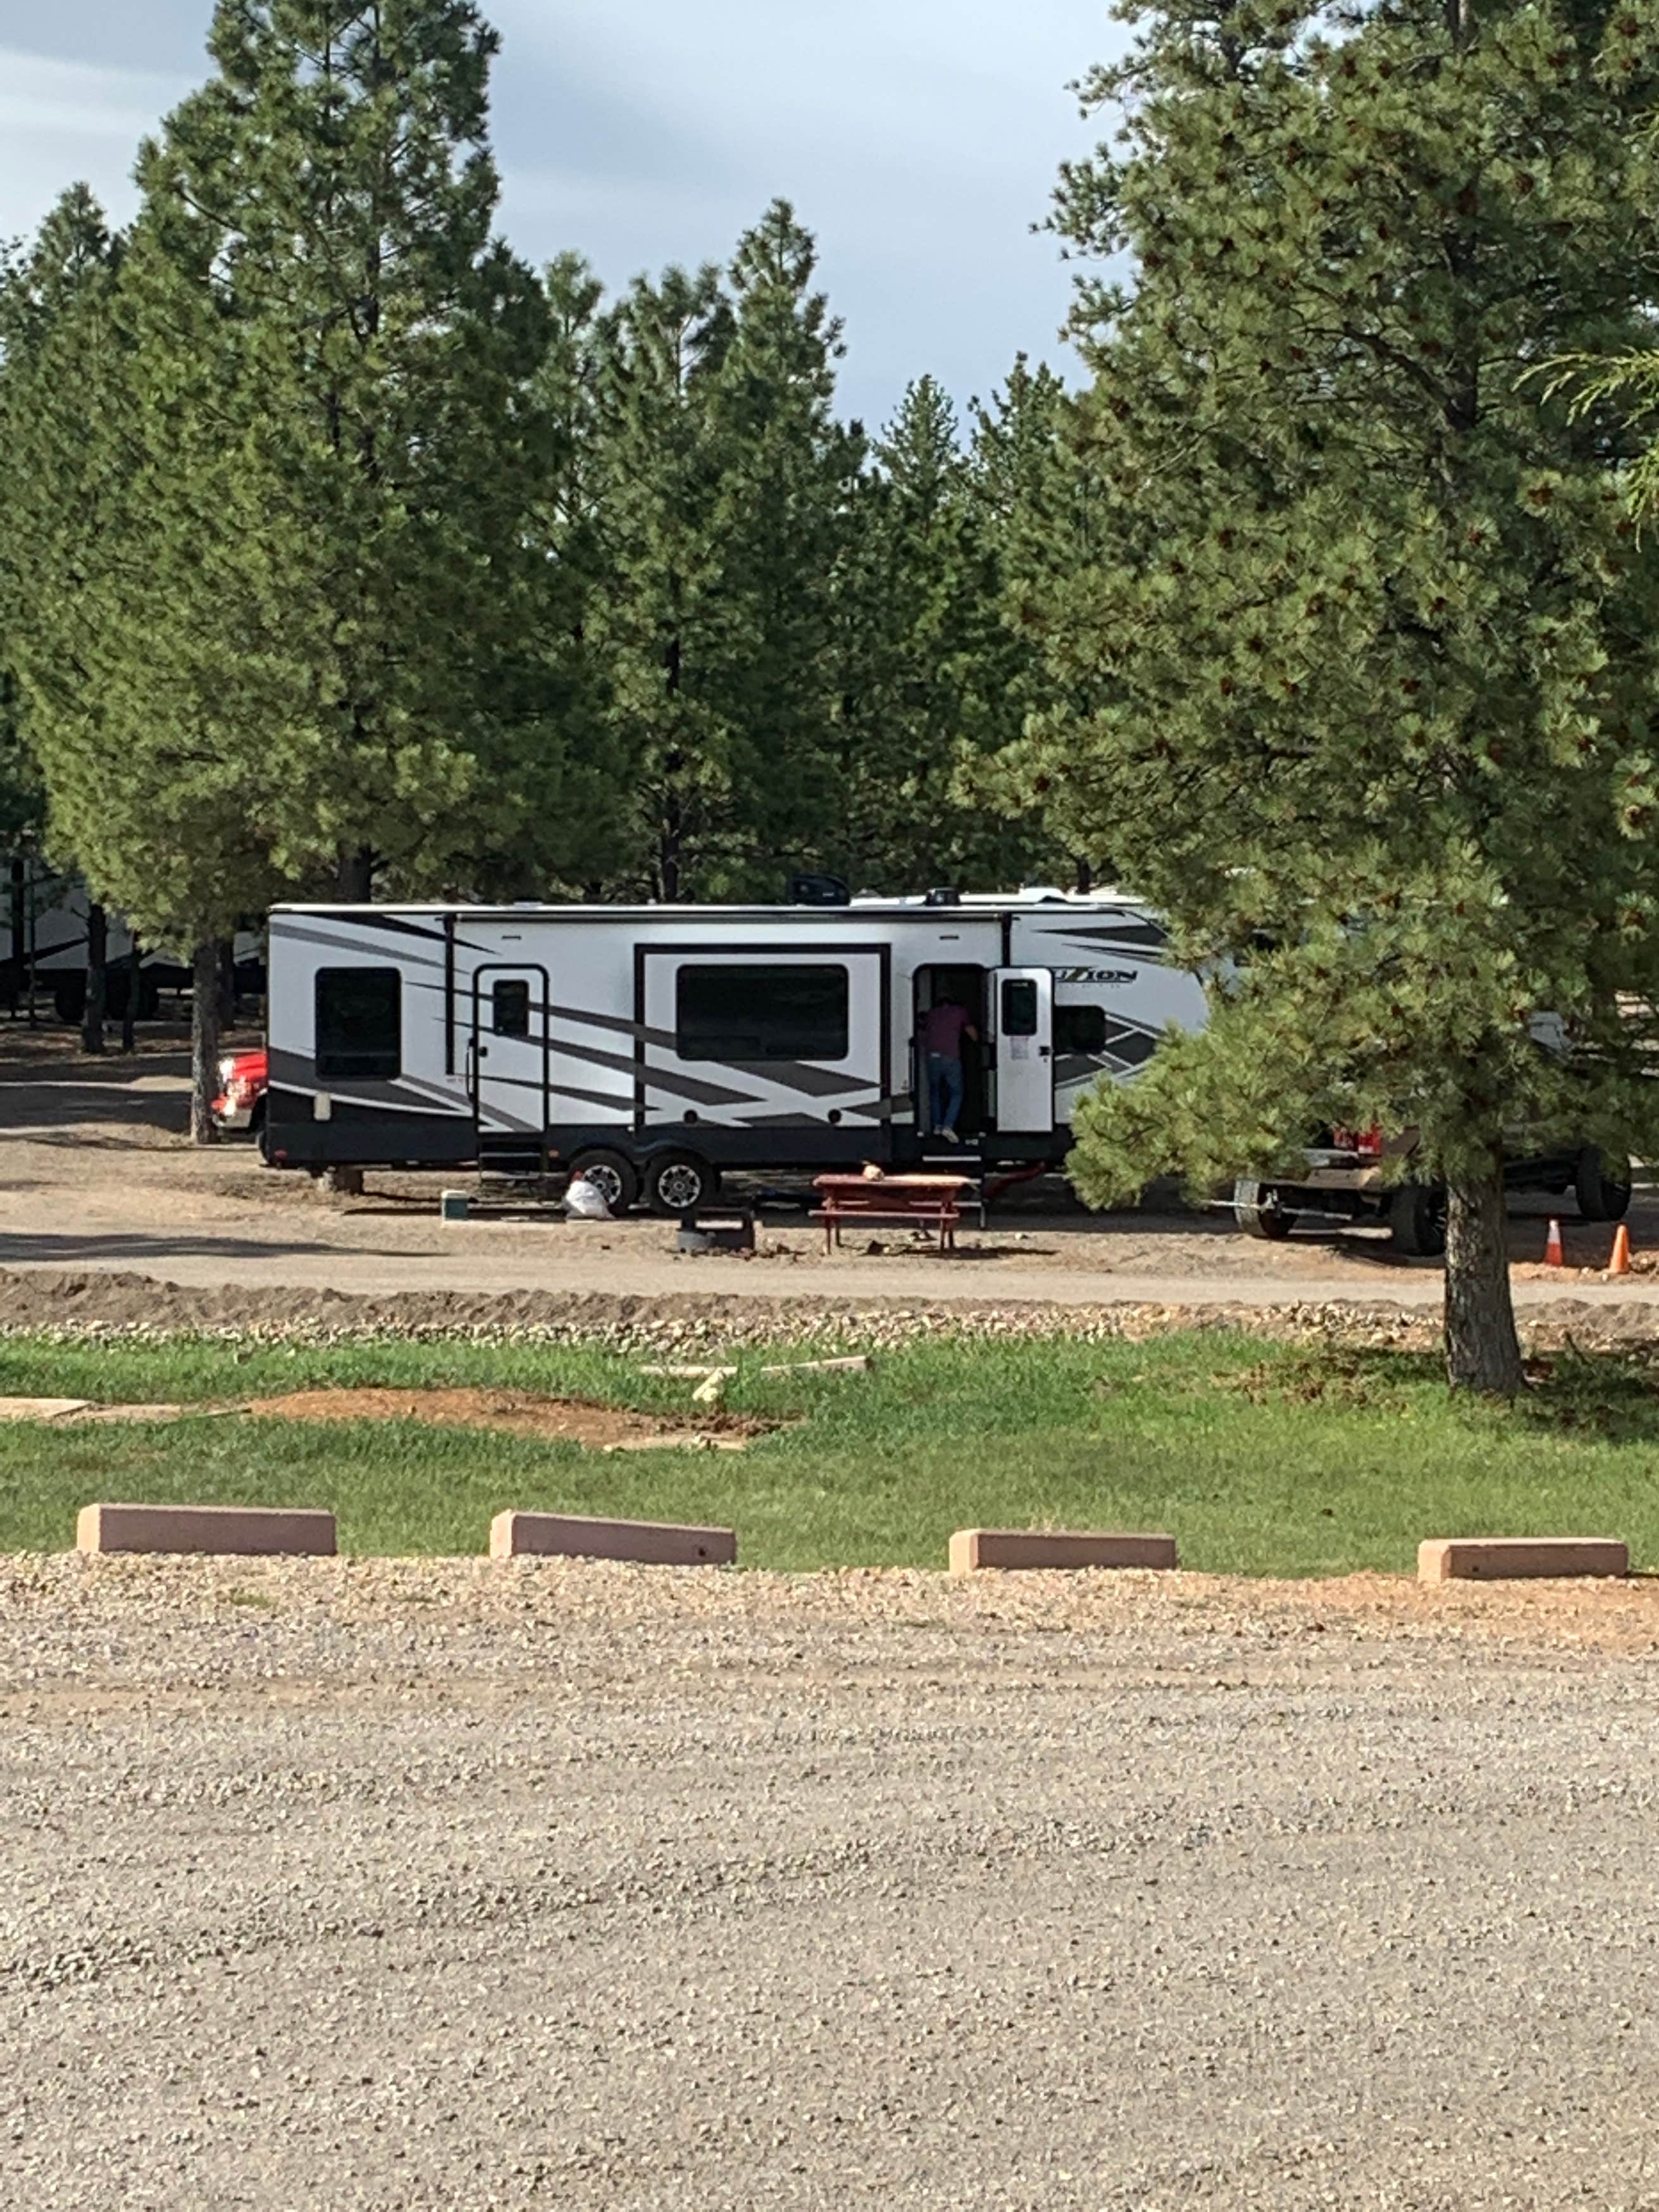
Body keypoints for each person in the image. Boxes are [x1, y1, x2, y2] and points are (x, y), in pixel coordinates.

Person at [921, 991, 977, 1144]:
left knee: (935, 1092)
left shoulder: (932, 1014)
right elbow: (972, 1034)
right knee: (956, 1093)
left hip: (932, 1057)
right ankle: (948, 1126)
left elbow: (924, 1033)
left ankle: (937, 1126)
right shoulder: (959, 1012)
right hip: (951, 1057)